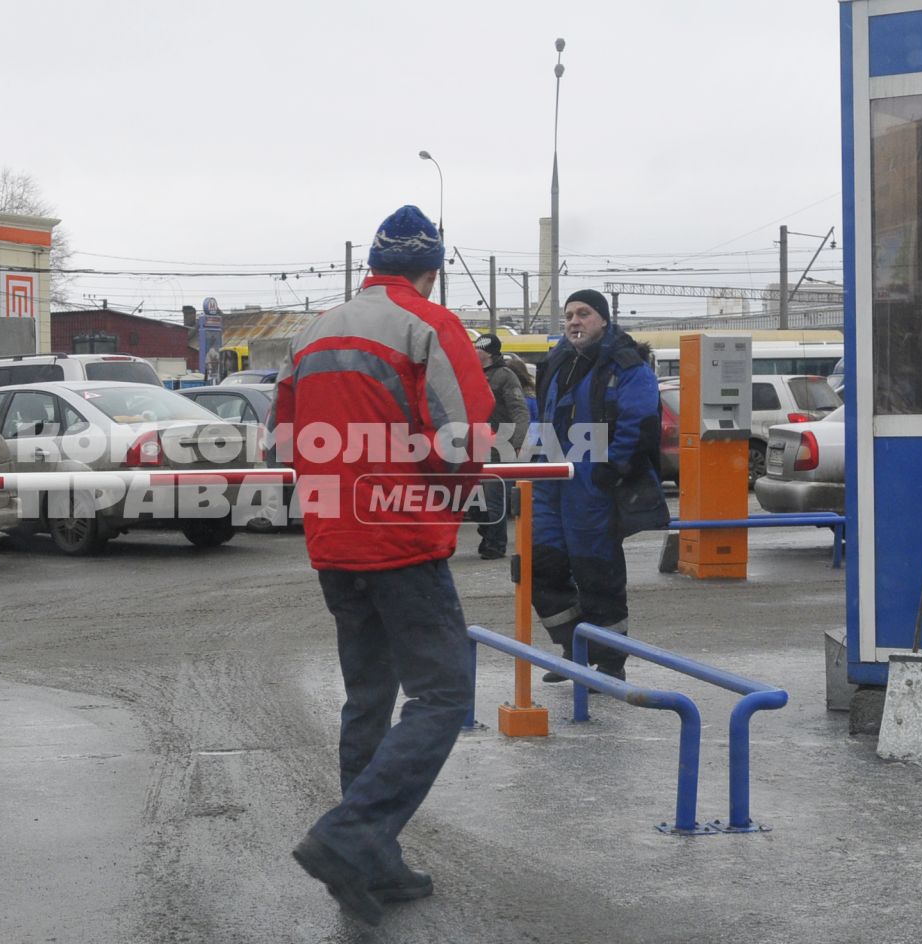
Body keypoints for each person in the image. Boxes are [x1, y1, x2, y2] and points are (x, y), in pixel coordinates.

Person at [272, 205, 494, 926]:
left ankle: (373, 862)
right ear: (432, 268)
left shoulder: (314, 330)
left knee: (368, 697)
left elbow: (281, 437)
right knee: (444, 696)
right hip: (401, 537)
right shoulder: (428, 325)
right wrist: (448, 505)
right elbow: (464, 440)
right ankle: (350, 836)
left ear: (372, 263)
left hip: (335, 538)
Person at [530, 289, 667, 682]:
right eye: (569, 314)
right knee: (541, 565)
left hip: (593, 484)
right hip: (550, 479)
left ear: (603, 320)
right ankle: (575, 649)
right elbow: (545, 417)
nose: (574, 321)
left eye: (584, 313)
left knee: (597, 574)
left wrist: (611, 471)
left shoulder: (626, 365)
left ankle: (609, 664)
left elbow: (640, 421)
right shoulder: (556, 361)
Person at [474, 334, 528, 559]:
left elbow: (519, 410)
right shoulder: (471, 374)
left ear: (490, 353)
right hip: (474, 444)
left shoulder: (505, 376)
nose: (475, 351)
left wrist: (516, 442)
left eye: (479, 348)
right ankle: (488, 532)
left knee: (493, 497)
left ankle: (495, 545)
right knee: (474, 499)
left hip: (498, 444)